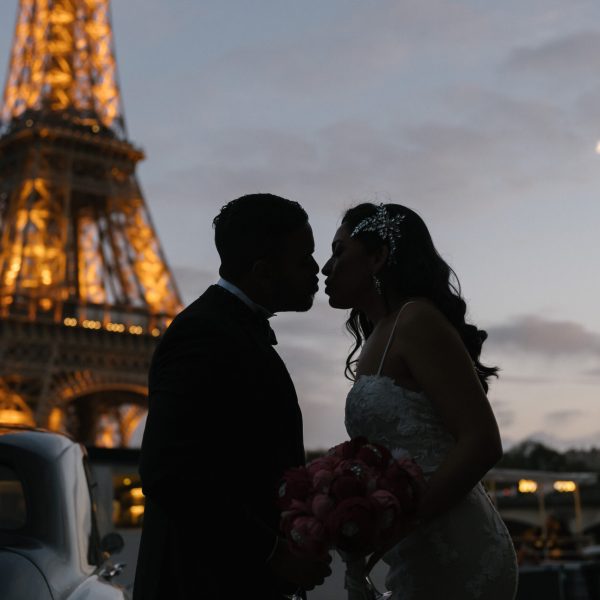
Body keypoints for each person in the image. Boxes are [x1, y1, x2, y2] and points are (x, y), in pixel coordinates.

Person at [133, 194, 332, 599]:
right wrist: (274, 552)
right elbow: (168, 470)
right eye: (304, 258)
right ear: (262, 272)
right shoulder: (204, 335)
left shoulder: (222, 329)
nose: (318, 268)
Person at [321, 203, 518, 599]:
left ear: (377, 257)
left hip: (455, 548)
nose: (326, 267)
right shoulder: (381, 334)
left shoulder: (416, 321)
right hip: (415, 550)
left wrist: (400, 521)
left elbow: (482, 441)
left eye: (339, 251)